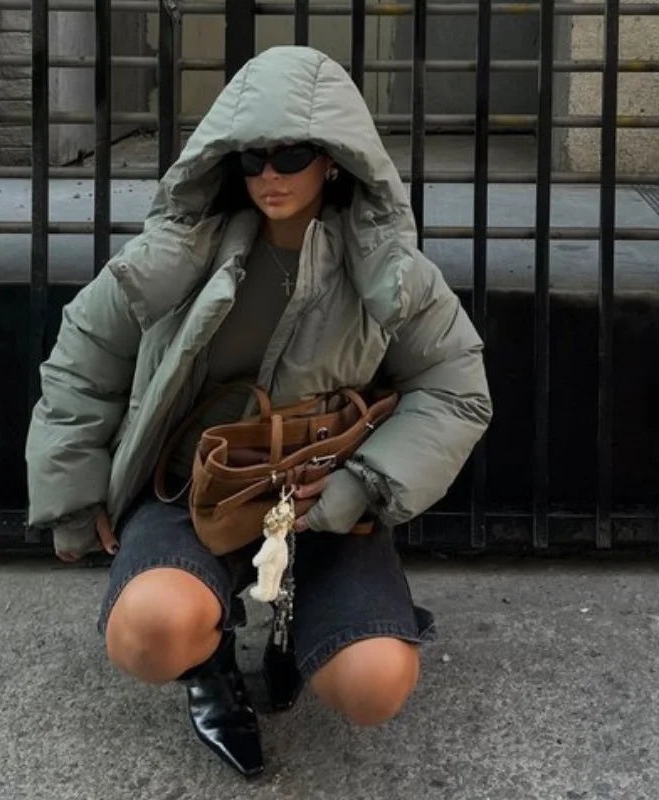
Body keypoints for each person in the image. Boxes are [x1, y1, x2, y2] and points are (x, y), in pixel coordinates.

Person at [25, 46, 492, 777]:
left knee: (374, 685)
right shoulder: (178, 254)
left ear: (334, 160)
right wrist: (75, 495)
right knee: (149, 633)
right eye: (251, 157)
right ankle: (209, 660)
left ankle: (302, 625)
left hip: (323, 502)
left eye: (293, 154)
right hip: (192, 492)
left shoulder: (389, 274)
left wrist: (362, 484)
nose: (270, 174)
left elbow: (456, 389)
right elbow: (84, 357)